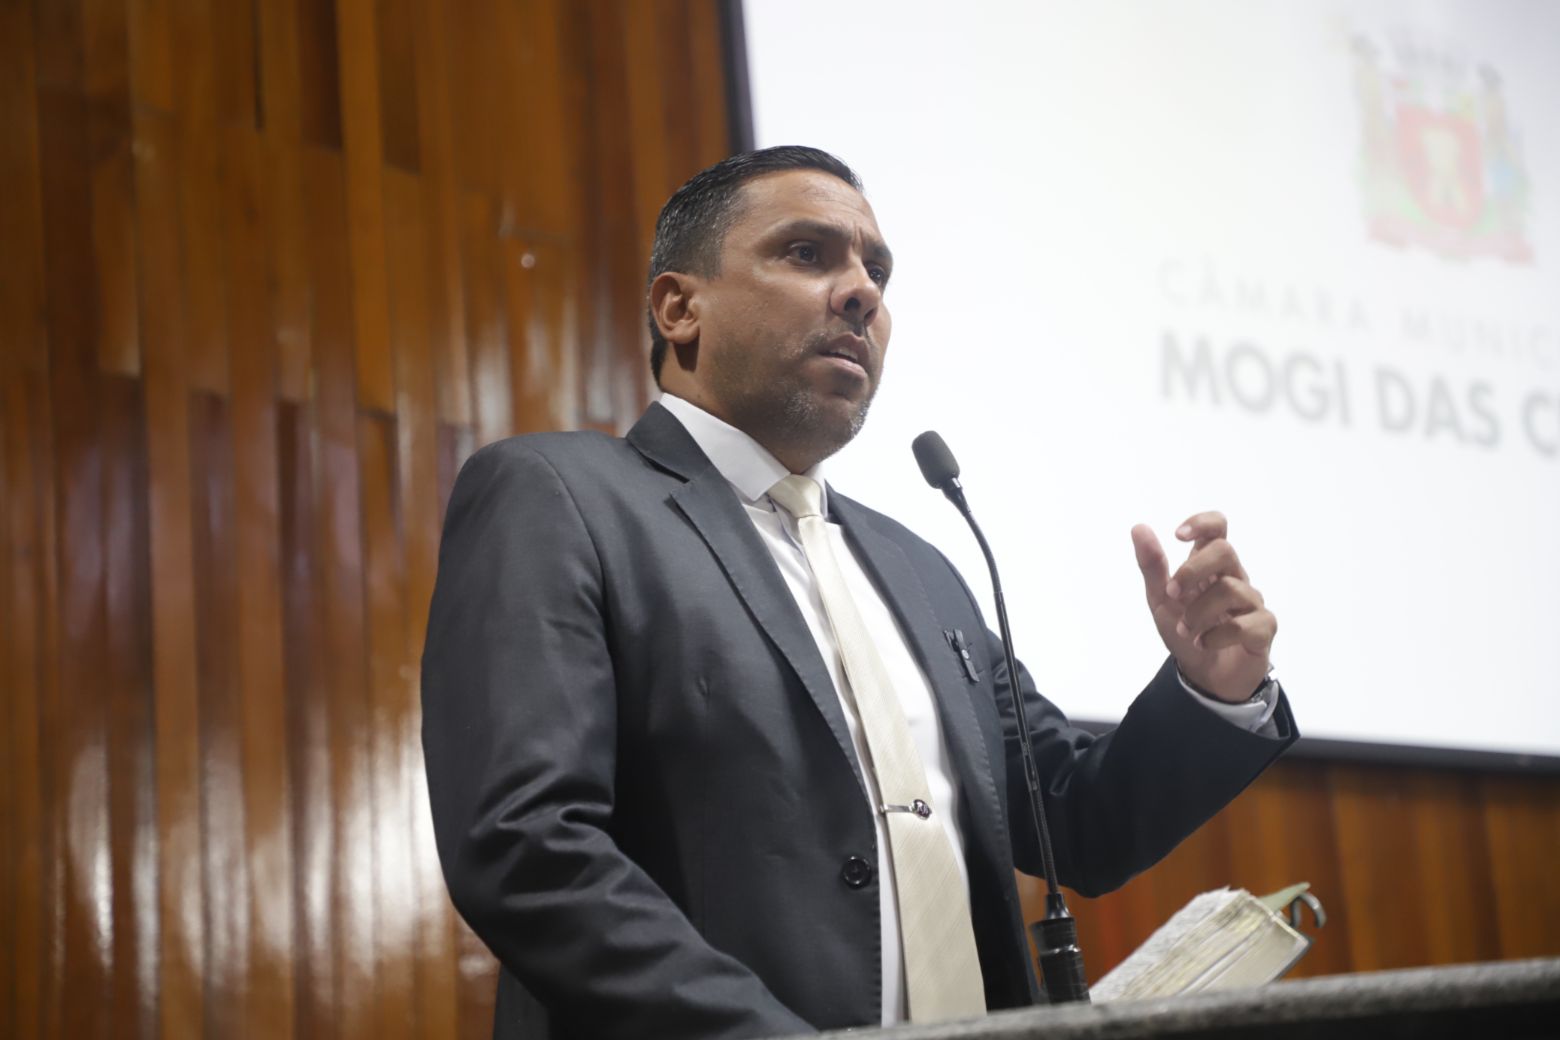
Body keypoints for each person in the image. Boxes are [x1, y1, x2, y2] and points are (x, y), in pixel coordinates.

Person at [421, 146, 1295, 1040]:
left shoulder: (920, 569)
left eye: (877, 270)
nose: (861, 293)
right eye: (807, 254)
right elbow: (527, 845)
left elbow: (1074, 819)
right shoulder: (560, 497)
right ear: (679, 308)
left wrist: (1212, 691)